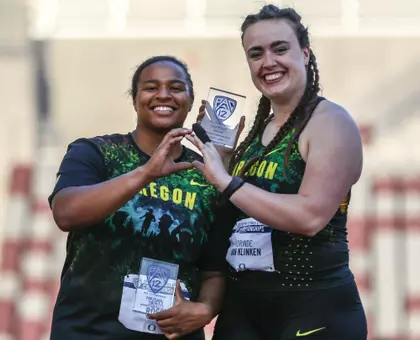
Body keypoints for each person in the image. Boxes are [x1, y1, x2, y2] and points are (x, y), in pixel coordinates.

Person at [188, 5, 367, 340]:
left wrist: (227, 181)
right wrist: (224, 161)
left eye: (279, 48)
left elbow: (309, 217)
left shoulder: (330, 122)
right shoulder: (259, 130)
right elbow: (239, 211)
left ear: (304, 53)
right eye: (256, 53)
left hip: (313, 306)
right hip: (244, 307)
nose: (268, 61)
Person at [48, 55, 226, 340]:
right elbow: (66, 214)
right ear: (135, 99)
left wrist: (205, 309)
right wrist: (145, 173)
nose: (163, 95)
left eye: (176, 87)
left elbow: (214, 270)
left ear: (191, 101)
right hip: (89, 331)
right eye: (151, 87)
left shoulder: (207, 174)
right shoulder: (95, 153)